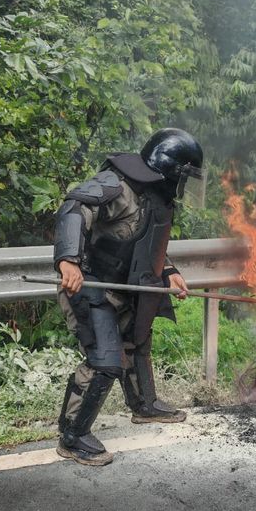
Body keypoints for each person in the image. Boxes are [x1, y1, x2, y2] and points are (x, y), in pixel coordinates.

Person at [52, 128, 206, 466]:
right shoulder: (117, 185)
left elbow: (144, 240)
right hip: (90, 285)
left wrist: (168, 271)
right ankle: (72, 435)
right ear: (169, 167)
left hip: (127, 287)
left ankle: (144, 406)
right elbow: (74, 209)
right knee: (106, 361)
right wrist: (68, 260)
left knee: (137, 342)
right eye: (185, 176)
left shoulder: (156, 194)